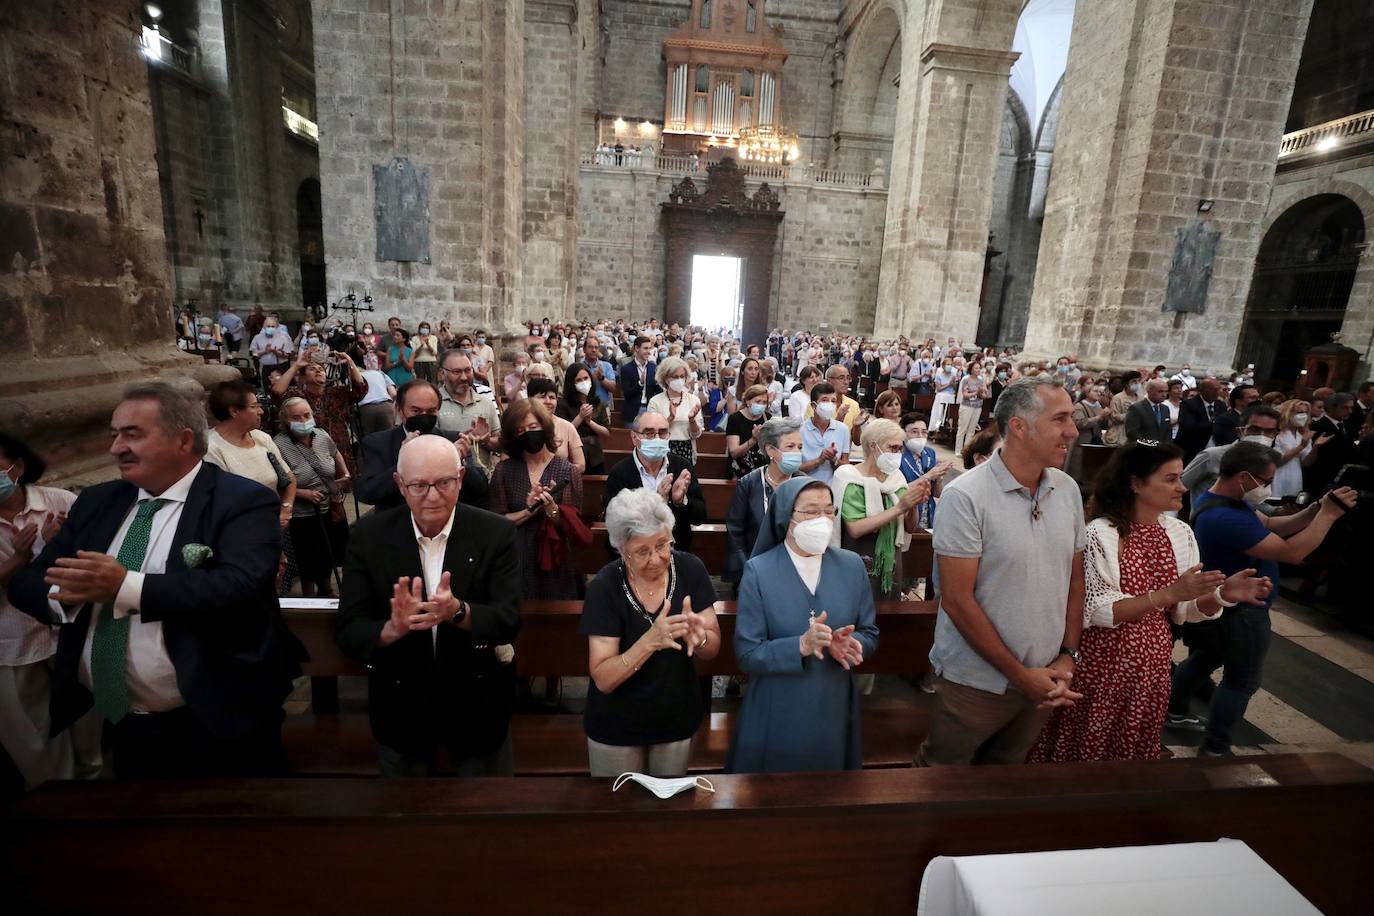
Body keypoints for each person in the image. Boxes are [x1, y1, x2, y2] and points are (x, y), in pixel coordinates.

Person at [8, 382, 302, 778]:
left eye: (132, 434)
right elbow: (28, 581)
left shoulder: (241, 501)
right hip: (121, 720)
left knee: (238, 831)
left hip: (218, 715)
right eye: (114, 435)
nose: (116, 448)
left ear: (182, 440)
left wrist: (125, 587)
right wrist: (66, 594)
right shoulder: (98, 502)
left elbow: (239, 586)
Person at [1029, 442, 1269, 763]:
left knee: (1131, 753)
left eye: (1181, 477)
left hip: (1152, 667)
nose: (1182, 487)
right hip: (1102, 666)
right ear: (1135, 483)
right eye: (1170, 479)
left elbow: (1185, 611)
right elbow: (1099, 610)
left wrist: (1222, 596)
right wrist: (1169, 594)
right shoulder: (1102, 533)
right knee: (1088, 750)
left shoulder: (1178, 532)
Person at [915, 378, 1087, 767]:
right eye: (1060, 419)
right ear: (1019, 427)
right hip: (976, 681)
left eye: (1071, 418)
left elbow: (1074, 580)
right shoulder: (967, 496)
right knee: (941, 776)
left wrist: (1067, 655)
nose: (1072, 431)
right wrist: (1019, 675)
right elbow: (958, 601)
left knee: (1005, 774)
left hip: (1045, 672)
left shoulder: (1067, 489)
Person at [336, 435, 521, 777]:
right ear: (399, 485)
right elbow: (348, 630)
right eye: (419, 485)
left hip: (476, 705)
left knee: (486, 815)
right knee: (406, 820)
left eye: (444, 483)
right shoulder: (368, 536)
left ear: (462, 479)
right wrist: (389, 630)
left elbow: (508, 621)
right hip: (401, 705)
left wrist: (459, 612)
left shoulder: (496, 533)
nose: (433, 496)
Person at [1169, 442, 1356, 755]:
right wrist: (1329, 516)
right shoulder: (1225, 517)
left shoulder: (1223, 500)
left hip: (1225, 605)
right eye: (1265, 481)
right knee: (1242, 679)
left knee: (1206, 657)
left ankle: (1174, 710)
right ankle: (1216, 747)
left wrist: (1313, 510)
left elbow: (1270, 525)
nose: (1268, 487)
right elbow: (1293, 552)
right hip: (1241, 608)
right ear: (1244, 477)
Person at [726, 478, 878, 773]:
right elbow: (746, 653)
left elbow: (869, 632)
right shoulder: (760, 571)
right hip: (777, 706)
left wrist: (853, 644)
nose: (822, 520)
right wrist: (799, 646)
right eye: (810, 511)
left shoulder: (851, 566)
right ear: (786, 516)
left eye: (829, 511)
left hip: (831, 703)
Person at [580, 488, 721, 776]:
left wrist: (700, 637)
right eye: (642, 551)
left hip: (676, 719)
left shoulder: (691, 569)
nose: (656, 558)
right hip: (616, 726)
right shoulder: (605, 588)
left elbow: (713, 648)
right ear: (621, 549)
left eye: (662, 545)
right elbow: (604, 679)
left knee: (667, 814)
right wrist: (649, 642)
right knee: (618, 814)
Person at [0, 433, 100, 789]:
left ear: (18, 466)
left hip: (69, 634)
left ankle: (97, 791)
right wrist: (19, 561)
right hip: (13, 644)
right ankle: (56, 804)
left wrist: (59, 545)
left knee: (91, 726)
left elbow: (99, 559)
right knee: (34, 740)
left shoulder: (60, 502)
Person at [489, 399, 583, 600]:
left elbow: (572, 526)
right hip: (514, 558)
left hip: (555, 560)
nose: (528, 434)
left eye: (533, 427)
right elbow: (496, 522)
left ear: (544, 427)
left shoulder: (567, 470)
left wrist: (551, 509)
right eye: (520, 430)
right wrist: (529, 509)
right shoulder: (504, 471)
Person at [831, 419, 931, 601]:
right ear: (873, 446)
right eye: (893, 448)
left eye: (900, 449)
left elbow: (909, 527)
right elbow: (855, 529)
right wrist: (900, 507)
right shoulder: (849, 477)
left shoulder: (896, 477)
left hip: (892, 559)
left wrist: (914, 503)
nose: (898, 454)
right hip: (859, 557)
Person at [355, 379, 490, 512]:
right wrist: (404, 460)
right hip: (398, 526)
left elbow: (480, 488)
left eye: (431, 411)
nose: (423, 416)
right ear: (399, 409)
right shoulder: (377, 443)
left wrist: (456, 461)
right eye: (416, 411)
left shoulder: (452, 439)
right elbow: (366, 493)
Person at [274, 397, 351, 598]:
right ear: (285, 420)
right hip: (301, 514)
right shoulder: (278, 444)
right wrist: (302, 494)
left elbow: (335, 453)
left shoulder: (321, 435)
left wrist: (345, 474)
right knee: (307, 558)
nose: (303, 420)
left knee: (327, 553)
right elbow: (276, 481)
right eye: (296, 417)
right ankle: (308, 598)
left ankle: (327, 590)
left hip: (329, 505)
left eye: (307, 415)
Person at [602, 411, 705, 551]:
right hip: (636, 553)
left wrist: (680, 501)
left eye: (662, 432)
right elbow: (614, 525)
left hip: (677, 550)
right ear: (634, 437)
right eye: (649, 433)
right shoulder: (619, 473)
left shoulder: (682, 467)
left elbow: (700, 516)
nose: (657, 438)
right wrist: (657, 502)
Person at [205, 380, 296, 531]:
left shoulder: (262, 438)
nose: (260, 411)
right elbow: (221, 502)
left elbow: (289, 478)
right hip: (242, 533)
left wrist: (286, 509)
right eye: (254, 407)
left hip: (274, 527)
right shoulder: (211, 449)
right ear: (234, 412)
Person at [724, 418, 803, 590]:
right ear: (770, 450)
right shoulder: (749, 483)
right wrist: (749, 571)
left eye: (800, 447)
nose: (797, 453)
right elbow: (735, 532)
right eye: (790, 447)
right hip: (754, 570)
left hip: (796, 573)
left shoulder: (805, 484)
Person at [271, 347, 368, 460]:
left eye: (321, 369)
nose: (318, 370)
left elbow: (360, 389)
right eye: (312, 369)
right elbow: (277, 393)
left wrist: (349, 361)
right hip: (311, 451)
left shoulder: (336, 393)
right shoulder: (298, 395)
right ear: (303, 378)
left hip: (341, 449)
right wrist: (297, 365)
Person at [1181, 404, 1281, 509]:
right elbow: (1178, 486)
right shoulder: (1212, 456)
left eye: (1269, 431)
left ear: (1275, 434)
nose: (1262, 435)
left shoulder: (1267, 462)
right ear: (1240, 431)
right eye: (1255, 430)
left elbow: (1255, 504)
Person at [647, 356, 704, 465]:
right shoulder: (655, 401)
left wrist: (691, 419)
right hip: (663, 449)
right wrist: (670, 418)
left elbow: (696, 434)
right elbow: (652, 432)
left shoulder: (693, 399)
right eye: (675, 377)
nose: (679, 380)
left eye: (682, 376)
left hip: (686, 449)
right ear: (665, 378)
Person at [899, 413, 951, 530]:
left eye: (924, 432)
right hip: (906, 515)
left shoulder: (929, 453)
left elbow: (937, 494)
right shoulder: (897, 455)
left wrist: (938, 477)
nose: (920, 436)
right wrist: (929, 475)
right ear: (903, 433)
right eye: (914, 432)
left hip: (927, 514)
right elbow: (899, 490)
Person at [558, 363, 612, 475]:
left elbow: (606, 432)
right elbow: (562, 432)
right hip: (573, 454)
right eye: (579, 380)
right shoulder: (563, 403)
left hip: (595, 455)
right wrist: (580, 417)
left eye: (586, 378)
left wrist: (589, 422)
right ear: (571, 383)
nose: (583, 382)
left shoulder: (597, 402)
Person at [528, 378, 586, 473]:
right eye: (542, 397)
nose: (548, 401)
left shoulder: (567, 427)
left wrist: (557, 472)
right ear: (530, 399)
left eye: (552, 397)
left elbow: (581, 465)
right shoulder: (520, 425)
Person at [1306, 392, 1358, 494]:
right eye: (1345, 408)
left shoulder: (1348, 426)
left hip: (1341, 478)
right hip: (1321, 478)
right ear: (1330, 408)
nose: (1350, 411)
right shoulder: (1318, 426)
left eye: (1351, 408)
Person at [799, 382, 850, 485]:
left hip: (832, 489)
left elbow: (845, 465)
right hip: (805, 487)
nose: (830, 404)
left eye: (833, 401)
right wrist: (819, 460)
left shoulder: (842, 429)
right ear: (814, 406)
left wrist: (833, 459)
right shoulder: (800, 430)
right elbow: (795, 469)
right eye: (825, 400)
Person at [1272, 399, 1317, 499]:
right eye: (1300, 412)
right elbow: (1278, 461)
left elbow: (1306, 463)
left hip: (1295, 475)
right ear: (1288, 413)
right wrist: (1301, 446)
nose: (1303, 415)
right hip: (1277, 475)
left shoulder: (1303, 435)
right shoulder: (1278, 434)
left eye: (1306, 412)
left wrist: (1316, 447)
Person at [725, 384, 770, 479]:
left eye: (764, 402)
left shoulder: (768, 418)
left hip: (762, 472)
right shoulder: (735, 419)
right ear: (748, 401)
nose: (761, 405)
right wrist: (753, 440)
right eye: (758, 401)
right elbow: (734, 452)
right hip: (740, 472)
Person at [1177, 377, 1224, 464]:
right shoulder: (1188, 404)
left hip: (1215, 448)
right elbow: (1188, 426)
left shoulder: (1220, 405)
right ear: (1202, 390)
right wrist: (1213, 424)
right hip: (1193, 448)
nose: (1217, 392)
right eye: (1213, 390)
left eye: (1218, 389)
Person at [618, 336, 660, 427]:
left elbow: (657, 390)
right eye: (645, 348)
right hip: (633, 412)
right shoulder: (626, 369)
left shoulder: (653, 367)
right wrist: (640, 383)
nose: (648, 351)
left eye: (649, 348)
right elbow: (627, 393)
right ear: (637, 348)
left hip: (650, 409)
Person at [1124, 378, 1172, 443]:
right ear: (1149, 391)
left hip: (1160, 450)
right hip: (1141, 449)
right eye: (1160, 391)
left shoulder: (1165, 409)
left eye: (1166, 391)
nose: (1164, 395)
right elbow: (1132, 432)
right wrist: (1149, 445)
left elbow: (1168, 430)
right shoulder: (1136, 408)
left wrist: (1165, 446)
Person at [953, 363, 988, 453]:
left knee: (971, 430)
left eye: (979, 368)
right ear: (971, 370)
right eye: (976, 368)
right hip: (966, 406)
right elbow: (965, 395)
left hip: (977, 406)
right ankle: (958, 450)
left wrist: (982, 394)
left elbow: (984, 394)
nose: (978, 370)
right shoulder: (966, 379)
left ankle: (967, 450)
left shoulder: (981, 380)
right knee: (962, 429)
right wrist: (976, 392)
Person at [1102, 371, 1141, 448]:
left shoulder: (1141, 398)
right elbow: (1115, 417)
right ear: (1126, 383)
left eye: (1138, 381)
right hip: (1120, 435)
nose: (1137, 383)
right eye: (1134, 381)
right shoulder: (1118, 398)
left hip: (1136, 435)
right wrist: (1131, 415)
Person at [581, 335, 619, 405]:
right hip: (583, 407)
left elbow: (613, 388)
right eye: (590, 347)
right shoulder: (578, 366)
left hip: (603, 408)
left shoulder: (606, 366)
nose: (593, 350)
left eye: (596, 347)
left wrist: (602, 378)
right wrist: (592, 378)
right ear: (584, 349)